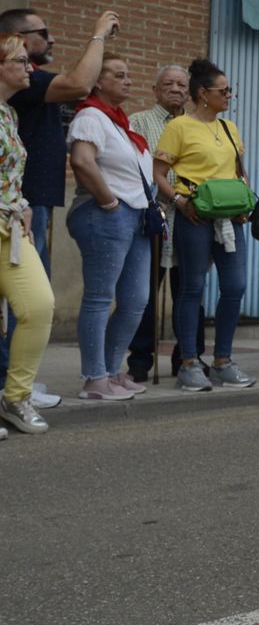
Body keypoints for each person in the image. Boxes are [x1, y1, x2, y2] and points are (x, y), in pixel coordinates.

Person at [153, 59, 257, 393]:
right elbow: (158, 174)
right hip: (194, 214)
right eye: (223, 90)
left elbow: (241, 171)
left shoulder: (230, 128)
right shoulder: (178, 127)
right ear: (202, 94)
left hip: (230, 216)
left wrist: (246, 200)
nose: (229, 95)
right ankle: (188, 363)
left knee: (236, 285)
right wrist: (179, 202)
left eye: (229, 90)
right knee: (193, 287)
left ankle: (223, 361)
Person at [66, 53, 156, 401]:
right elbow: (82, 161)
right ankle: (94, 379)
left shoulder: (119, 122)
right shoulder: (91, 116)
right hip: (106, 213)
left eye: (129, 74)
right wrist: (108, 201)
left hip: (135, 217)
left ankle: (111, 370)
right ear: (98, 82)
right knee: (100, 298)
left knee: (136, 300)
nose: (128, 80)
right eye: (119, 74)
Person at [0, 7, 119, 272]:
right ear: (20, 37)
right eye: (44, 33)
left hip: (34, 198)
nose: (52, 39)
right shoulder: (22, 82)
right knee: (25, 283)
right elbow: (80, 84)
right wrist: (98, 35)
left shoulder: (26, 84)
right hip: (24, 199)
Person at [0, 33, 55, 435]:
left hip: (12, 229)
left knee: (39, 305)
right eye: (21, 61)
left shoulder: (9, 114)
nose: (29, 68)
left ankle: (15, 396)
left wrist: (25, 207)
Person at [126, 63, 189, 382]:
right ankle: (139, 361)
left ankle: (186, 360)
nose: (176, 89)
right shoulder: (138, 121)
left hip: (189, 217)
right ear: (155, 89)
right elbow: (134, 167)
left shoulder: (196, 126)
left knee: (187, 290)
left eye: (181, 85)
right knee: (146, 290)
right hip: (151, 215)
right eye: (168, 84)